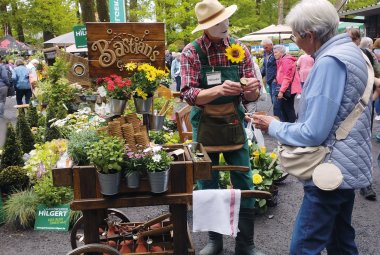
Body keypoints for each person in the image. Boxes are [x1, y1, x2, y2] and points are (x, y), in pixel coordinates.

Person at [253, 0, 372, 254]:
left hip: (329, 171)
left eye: (295, 35)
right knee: (340, 241)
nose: (294, 41)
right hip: (346, 166)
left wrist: (274, 126)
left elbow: (313, 132)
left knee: (304, 247)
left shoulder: (329, 62)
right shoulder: (352, 53)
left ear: (310, 34)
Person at [180, 0, 262, 254]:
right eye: (218, 22)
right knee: (207, 181)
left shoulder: (240, 49)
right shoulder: (191, 52)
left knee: (244, 179)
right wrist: (217, 90)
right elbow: (188, 93)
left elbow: (252, 96)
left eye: (226, 19)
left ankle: (245, 243)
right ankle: (215, 241)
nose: (225, 25)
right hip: (204, 122)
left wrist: (251, 90)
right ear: (205, 27)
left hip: (234, 120)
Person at [272, 44, 302, 122]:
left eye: (276, 52)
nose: (274, 54)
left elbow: (287, 77)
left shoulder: (286, 60)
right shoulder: (283, 59)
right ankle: (289, 127)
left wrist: (281, 91)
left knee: (288, 109)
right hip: (286, 87)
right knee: (285, 108)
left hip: (287, 88)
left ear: (281, 52)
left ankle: (292, 128)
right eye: (274, 52)